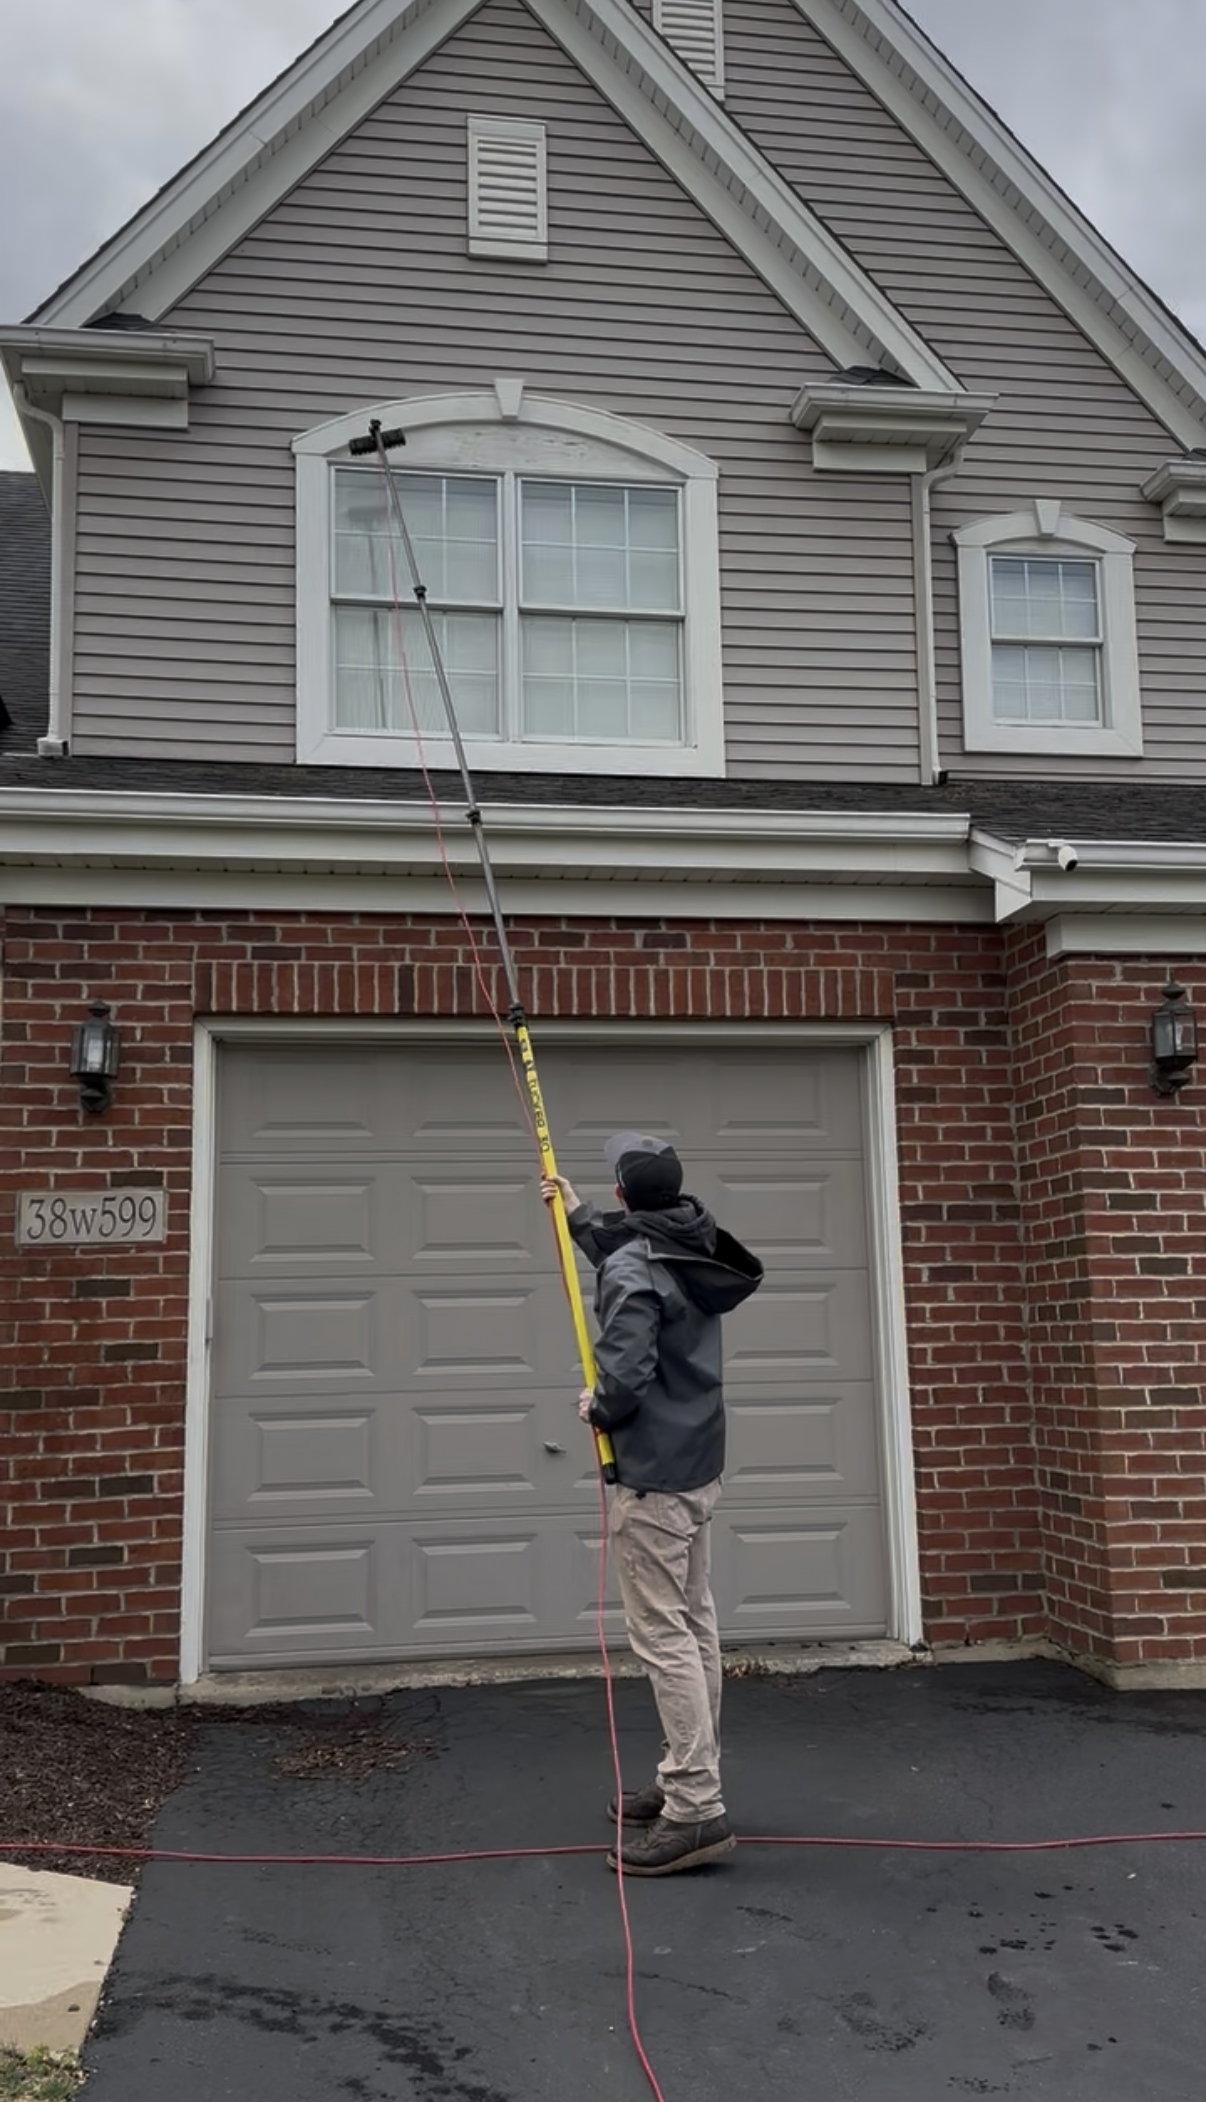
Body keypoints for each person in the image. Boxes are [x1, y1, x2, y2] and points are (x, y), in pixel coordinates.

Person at [541, 1131, 763, 1877]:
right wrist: (576, 1217)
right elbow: (628, 1254)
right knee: (694, 1623)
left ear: (627, 1196)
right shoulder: (688, 1239)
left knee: (664, 1635)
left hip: (656, 1480)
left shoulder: (638, 1262)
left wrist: (600, 1407)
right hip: (699, 1466)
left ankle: (697, 1809)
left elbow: (628, 1368)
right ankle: (686, 1775)